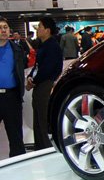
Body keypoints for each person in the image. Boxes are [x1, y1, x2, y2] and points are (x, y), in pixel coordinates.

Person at [25, 16, 63, 150]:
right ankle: (40, 146)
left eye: (40, 27)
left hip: (45, 85)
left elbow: (47, 69)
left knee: (42, 118)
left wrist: (33, 81)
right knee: (37, 118)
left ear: (47, 30)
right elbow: (37, 66)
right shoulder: (43, 45)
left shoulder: (52, 46)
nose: (37, 29)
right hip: (39, 85)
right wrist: (30, 77)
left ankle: (46, 148)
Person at [0, 17, 26, 157]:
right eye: (0, 28)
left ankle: (18, 164)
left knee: (16, 137)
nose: (3, 30)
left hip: (12, 97)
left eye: (5, 27)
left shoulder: (17, 49)